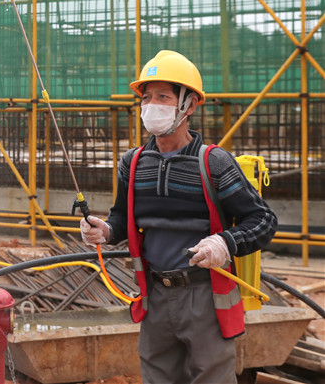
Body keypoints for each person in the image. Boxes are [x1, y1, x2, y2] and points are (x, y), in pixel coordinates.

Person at [79, 50, 277, 384]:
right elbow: (121, 217)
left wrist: (224, 243)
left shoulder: (213, 163)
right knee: (157, 377)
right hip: (155, 294)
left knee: (211, 377)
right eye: (146, 97)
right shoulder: (133, 163)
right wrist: (106, 230)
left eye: (163, 97)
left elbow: (262, 221)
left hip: (205, 295)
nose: (151, 105)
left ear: (190, 105)